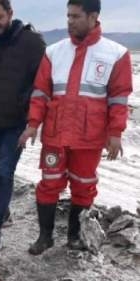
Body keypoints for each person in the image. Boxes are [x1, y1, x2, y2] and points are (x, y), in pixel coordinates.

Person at [18, 0, 133, 255]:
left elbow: (118, 98)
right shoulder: (54, 52)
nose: (69, 21)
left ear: (93, 17)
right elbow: (40, 93)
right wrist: (33, 124)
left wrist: (115, 134)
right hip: (55, 136)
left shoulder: (116, 54)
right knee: (48, 184)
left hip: (89, 138)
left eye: (76, 17)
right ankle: (45, 237)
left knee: (84, 186)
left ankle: (74, 236)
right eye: (68, 16)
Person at [0, 0, 46, 255]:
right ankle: (3, 214)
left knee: (4, 171)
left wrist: (33, 119)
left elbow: (43, 83)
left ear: (10, 14)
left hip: (14, 123)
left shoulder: (32, 42)